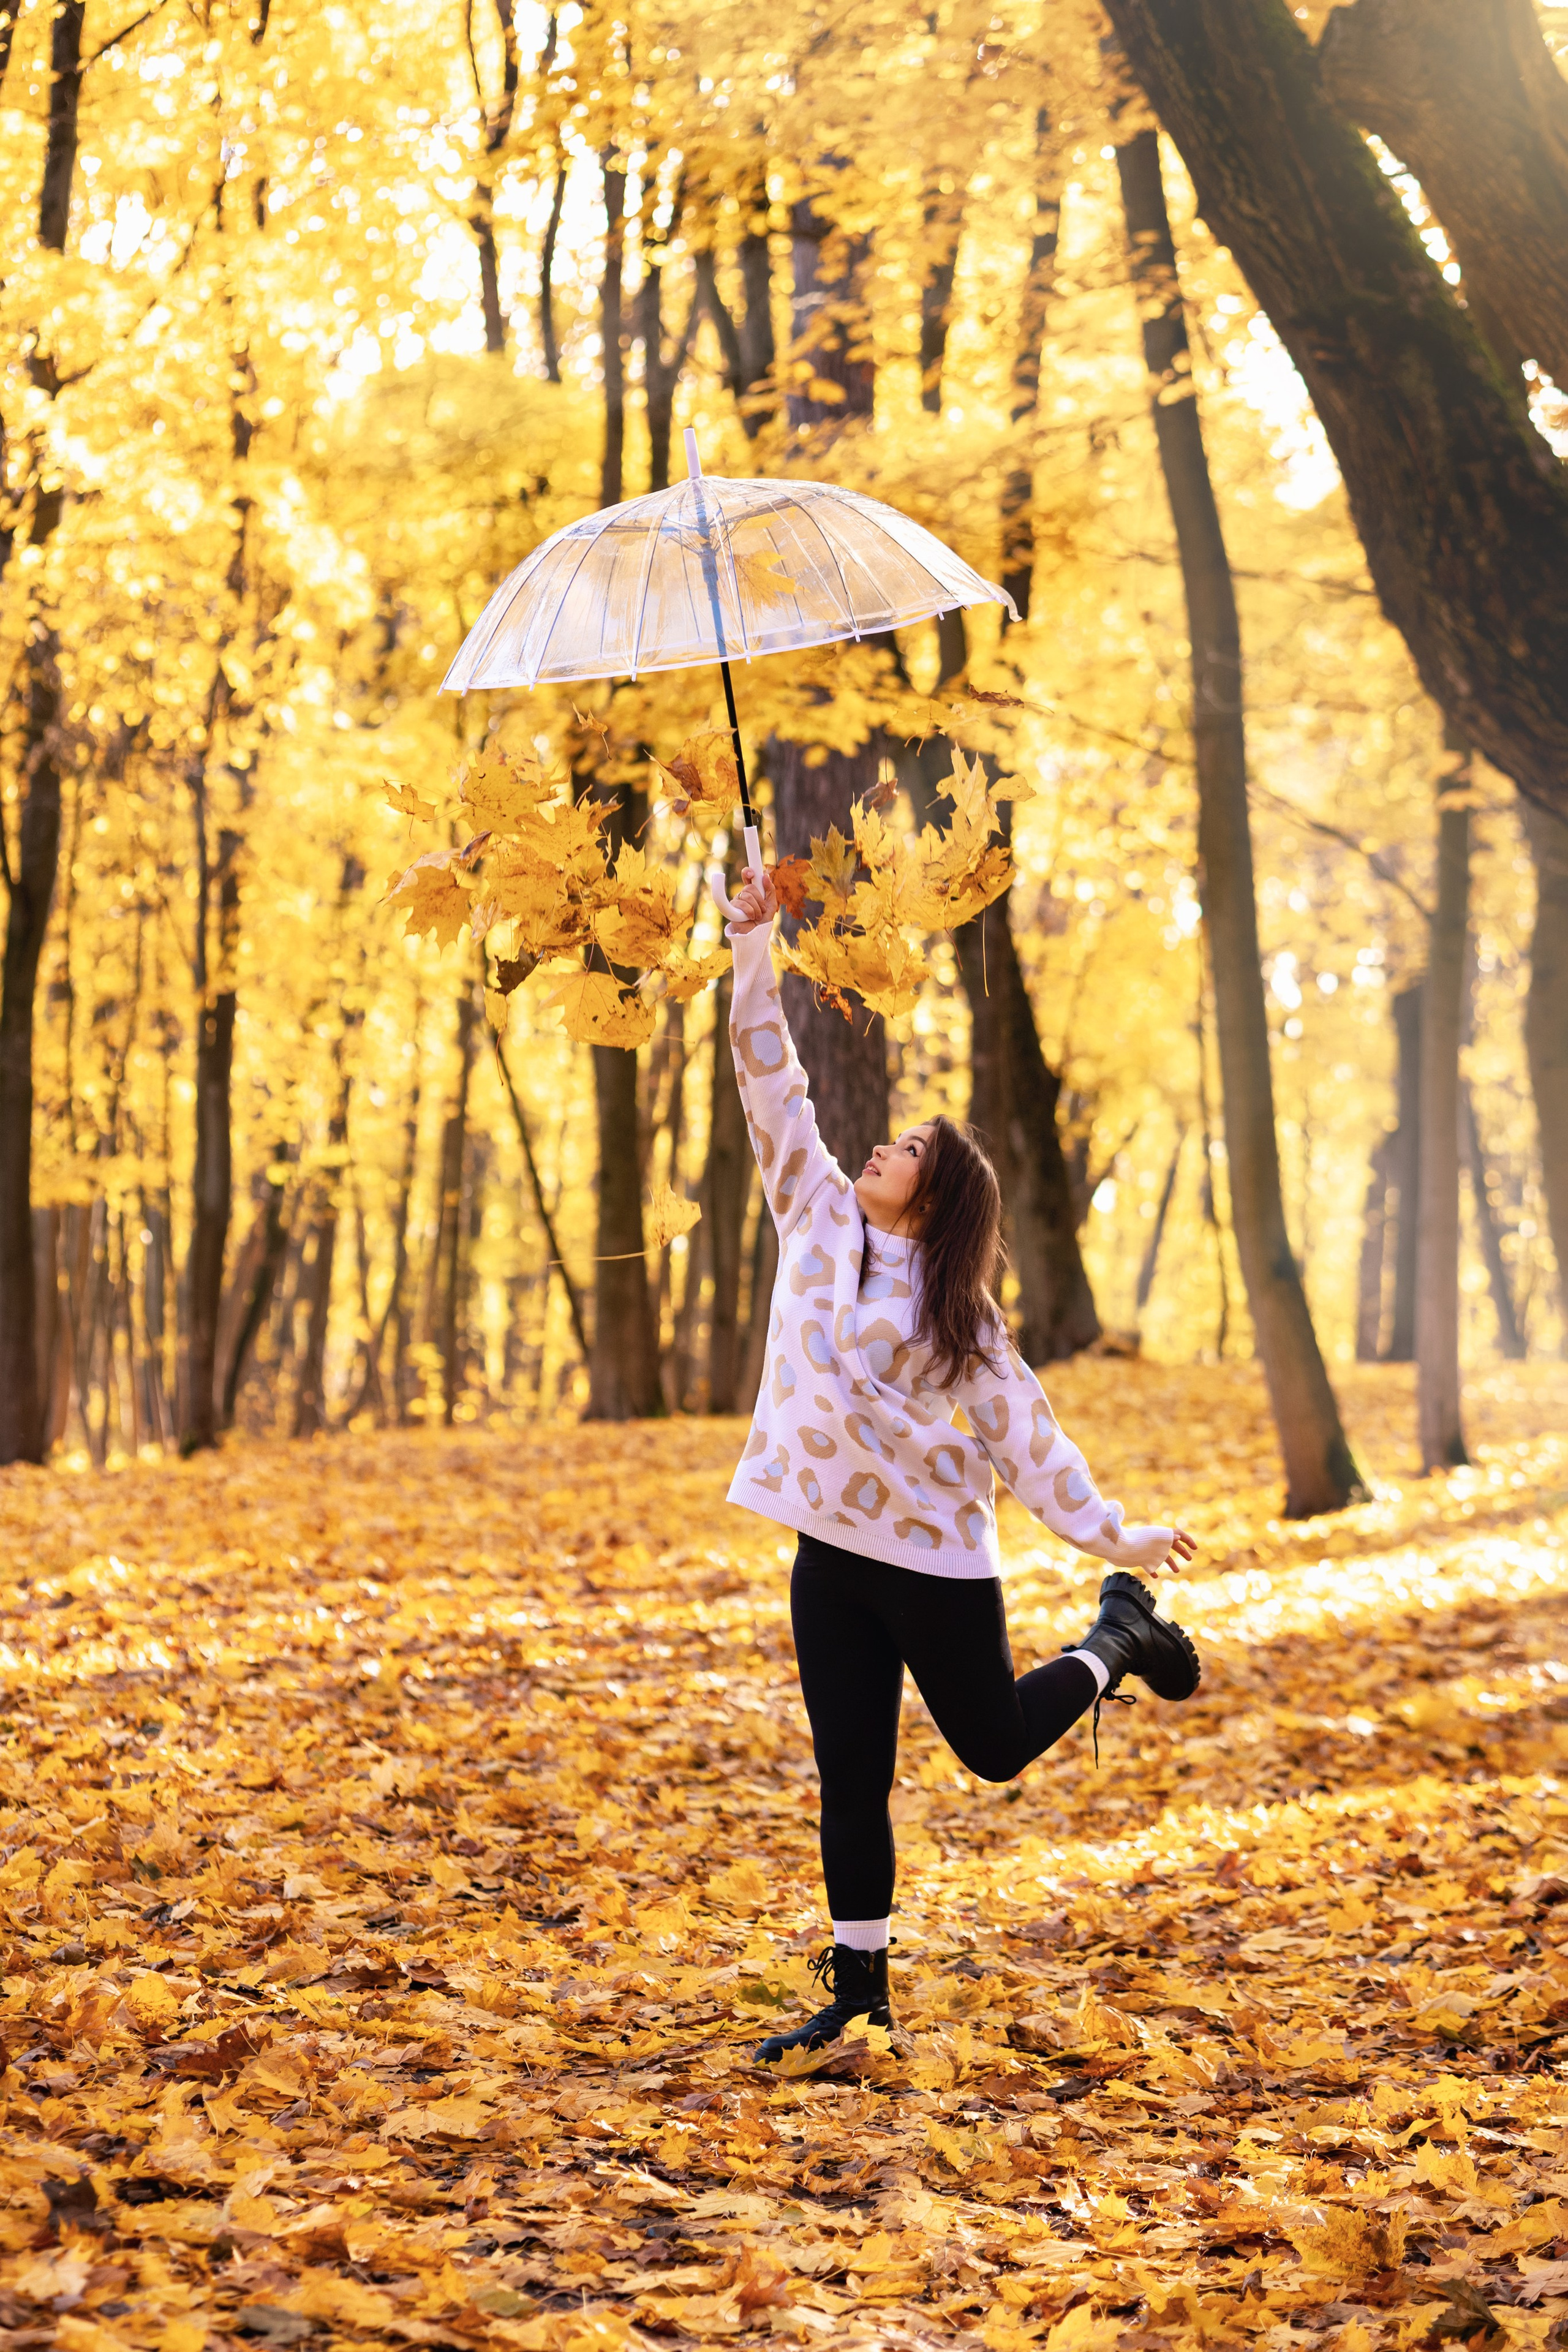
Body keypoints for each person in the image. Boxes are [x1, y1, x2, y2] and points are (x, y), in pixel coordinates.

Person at [721, 864, 1200, 2065]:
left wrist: (1116, 1536)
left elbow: (1031, 1445)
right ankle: (862, 1992)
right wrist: (748, 945)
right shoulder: (818, 1220)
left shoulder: (964, 1328)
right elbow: (767, 1078)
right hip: (827, 1558)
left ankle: (1113, 1640)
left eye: (905, 1151)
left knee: (988, 1750)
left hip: (933, 1570)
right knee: (849, 1778)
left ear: (933, 1204)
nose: (877, 1147)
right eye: (888, 1140)